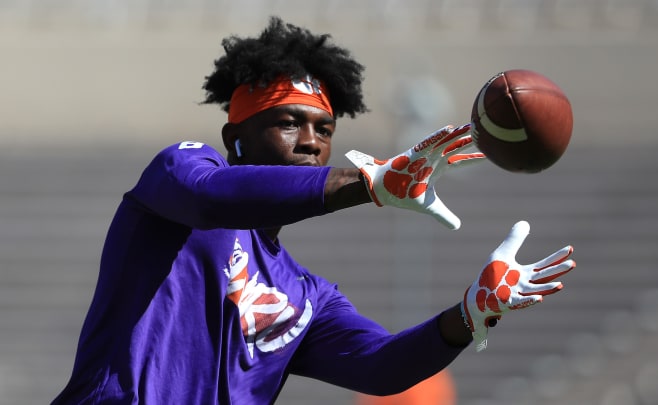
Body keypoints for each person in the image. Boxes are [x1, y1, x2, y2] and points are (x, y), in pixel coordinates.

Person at [52, 17, 576, 404]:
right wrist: (367, 183)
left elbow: (381, 367)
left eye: (323, 130)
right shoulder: (180, 176)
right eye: (287, 122)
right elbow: (210, 196)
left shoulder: (305, 296)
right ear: (235, 137)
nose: (310, 142)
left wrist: (470, 314)